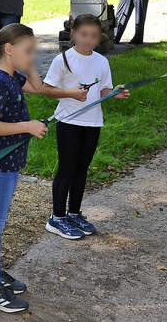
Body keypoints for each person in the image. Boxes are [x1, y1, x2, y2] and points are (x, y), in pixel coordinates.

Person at [0, 23, 48, 314]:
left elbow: (38, 88)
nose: (32, 56)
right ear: (8, 50)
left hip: (10, 164)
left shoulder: (10, 77)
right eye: (28, 51)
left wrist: (28, 63)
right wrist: (28, 126)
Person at [43, 15, 130, 240]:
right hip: (69, 122)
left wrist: (114, 93)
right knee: (67, 169)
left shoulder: (101, 61)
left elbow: (103, 91)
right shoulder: (62, 60)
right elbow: (47, 89)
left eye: (93, 36)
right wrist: (71, 93)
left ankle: (74, 213)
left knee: (82, 170)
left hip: (93, 123)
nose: (88, 40)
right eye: (83, 35)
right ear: (73, 33)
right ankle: (57, 218)